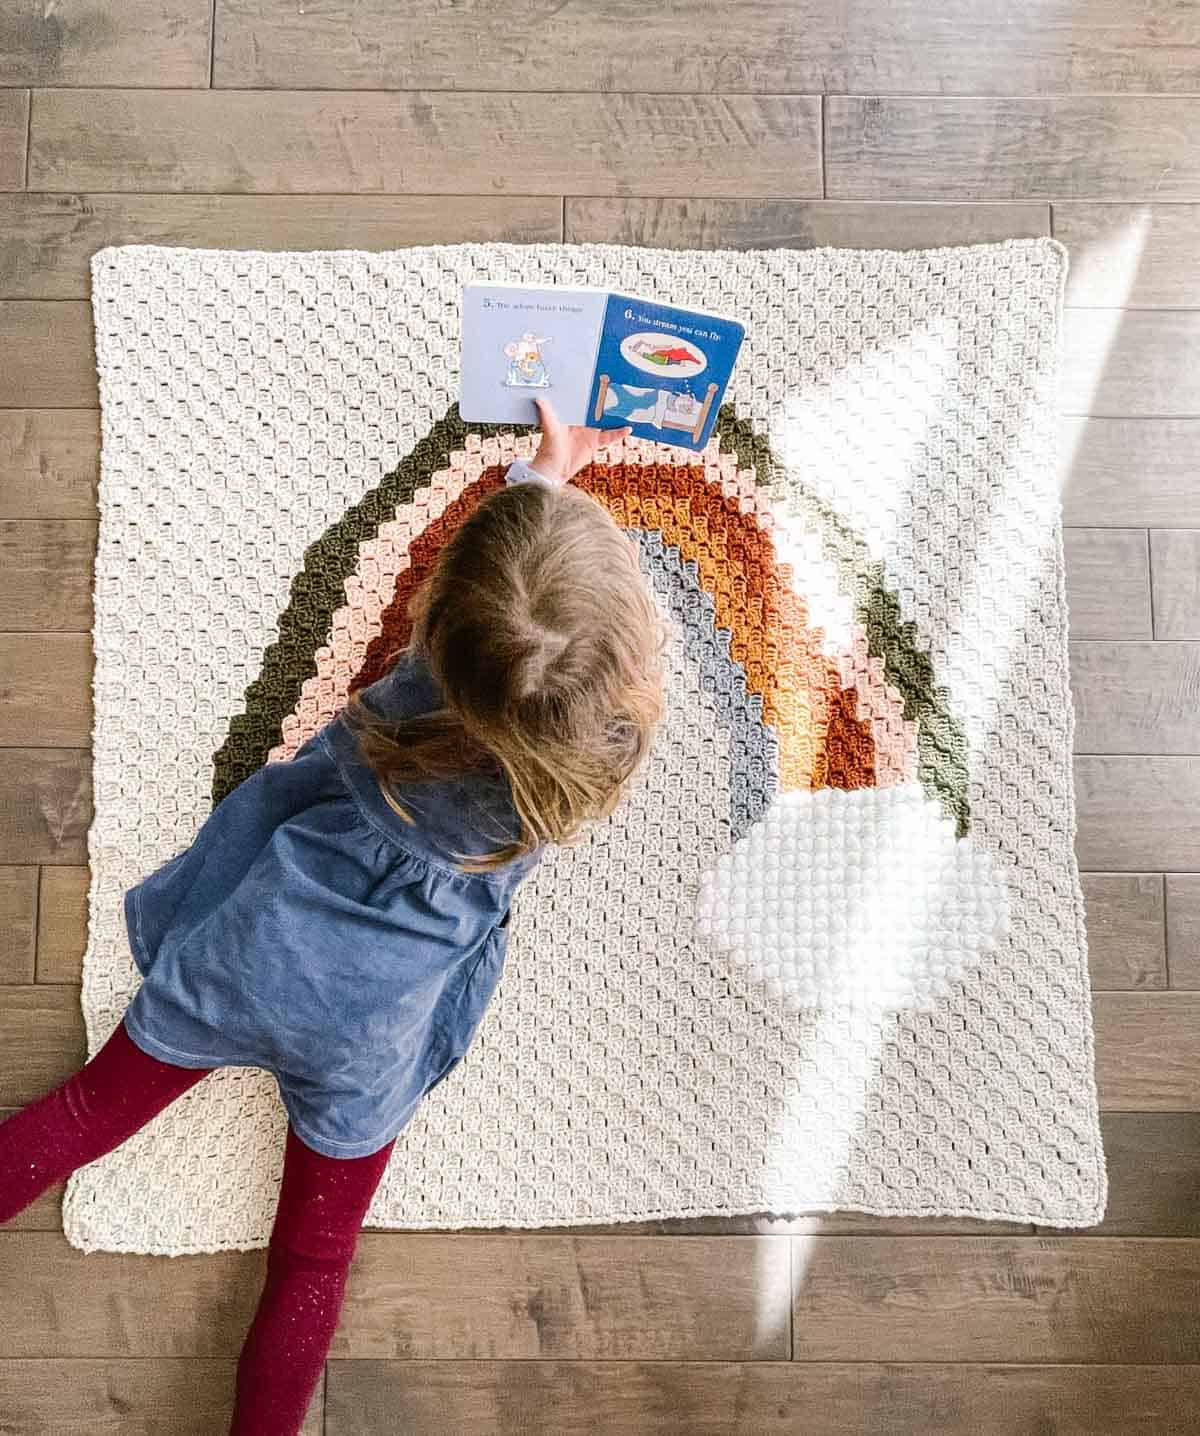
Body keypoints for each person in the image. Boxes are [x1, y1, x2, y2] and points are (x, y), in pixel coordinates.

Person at [0, 397, 665, 1435]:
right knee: (312, 1258)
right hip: (368, 1033)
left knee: (82, 1114)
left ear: (442, 624)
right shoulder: (584, 766)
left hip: (249, 954)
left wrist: (543, 472)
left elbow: (490, 615)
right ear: (616, 676)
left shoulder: (416, 681)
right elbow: (542, 658)